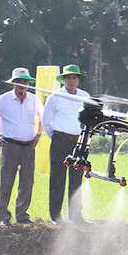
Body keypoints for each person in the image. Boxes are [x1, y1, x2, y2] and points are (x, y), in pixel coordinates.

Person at [42, 64, 91, 225]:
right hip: (60, 140)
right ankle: (56, 216)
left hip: (79, 141)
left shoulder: (85, 96)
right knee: (57, 178)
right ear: (64, 80)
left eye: (74, 77)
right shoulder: (55, 97)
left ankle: (76, 215)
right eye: (68, 78)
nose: (71, 81)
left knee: (76, 178)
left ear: (78, 79)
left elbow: (90, 120)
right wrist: (57, 137)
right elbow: (46, 122)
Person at [0, 68, 44, 226]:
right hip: (10, 145)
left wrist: (39, 134)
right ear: (13, 83)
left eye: (25, 81)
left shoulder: (34, 99)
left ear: (29, 83)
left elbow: (42, 117)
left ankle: (22, 215)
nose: (22, 84)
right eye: (19, 81)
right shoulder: (3, 100)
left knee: (27, 181)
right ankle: (4, 216)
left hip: (28, 146)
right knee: (7, 181)